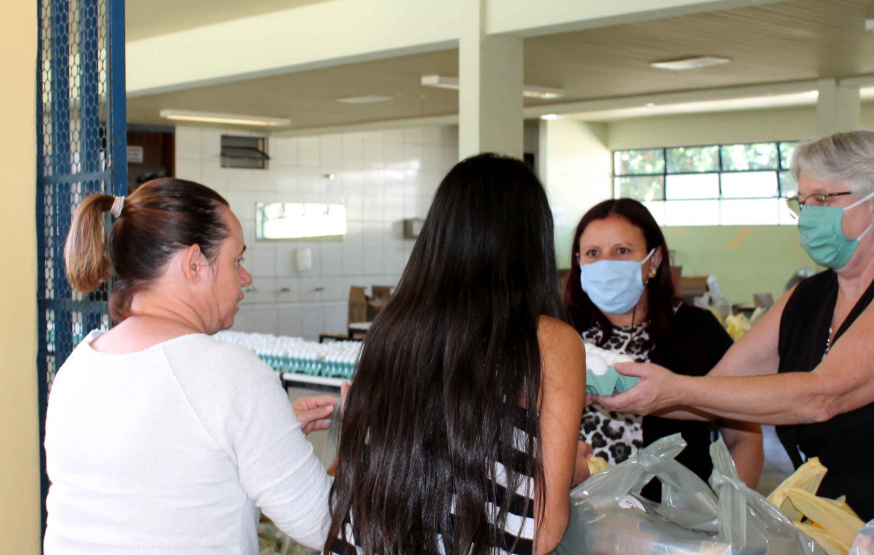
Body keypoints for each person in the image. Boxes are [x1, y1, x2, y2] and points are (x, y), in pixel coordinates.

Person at [598, 130, 874, 523]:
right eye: (803, 201)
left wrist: (674, 388)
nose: (809, 215)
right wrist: (610, 387)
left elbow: (822, 397)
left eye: (822, 199)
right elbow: (719, 389)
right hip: (834, 527)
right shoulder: (808, 298)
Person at [45, 178, 336, 553]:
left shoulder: (77, 368)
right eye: (236, 261)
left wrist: (267, 432)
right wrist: (360, 450)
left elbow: (156, 471)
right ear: (195, 264)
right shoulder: (230, 375)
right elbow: (329, 527)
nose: (246, 278)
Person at [325, 154, 588, 555]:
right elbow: (543, 529)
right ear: (533, 242)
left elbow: (358, 482)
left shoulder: (391, 332)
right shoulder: (549, 342)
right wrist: (569, 472)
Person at [564, 199, 763, 496]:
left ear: (654, 260)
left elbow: (744, 437)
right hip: (574, 512)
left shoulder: (697, 329)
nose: (606, 264)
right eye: (593, 253)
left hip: (676, 516)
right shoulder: (559, 330)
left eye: (622, 251)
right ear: (579, 261)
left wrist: (727, 512)